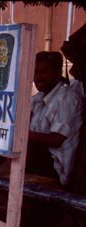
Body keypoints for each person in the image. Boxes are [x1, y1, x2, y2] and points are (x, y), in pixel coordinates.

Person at [27, 51, 83, 186]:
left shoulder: (67, 98)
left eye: (44, 71)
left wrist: (24, 135)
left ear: (58, 72)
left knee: (23, 143)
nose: (38, 77)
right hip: (36, 156)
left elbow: (56, 140)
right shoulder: (37, 99)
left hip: (55, 167)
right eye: (36, 72)